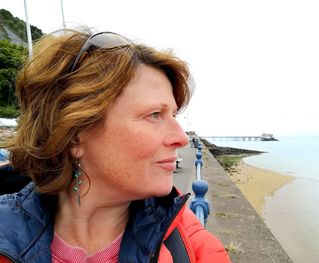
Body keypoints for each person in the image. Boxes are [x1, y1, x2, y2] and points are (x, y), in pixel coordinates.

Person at [0, 29, 231, 263]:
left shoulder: (194, 249)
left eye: (173, 115)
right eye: (154, 114)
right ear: (73, 134)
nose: (181, 137)